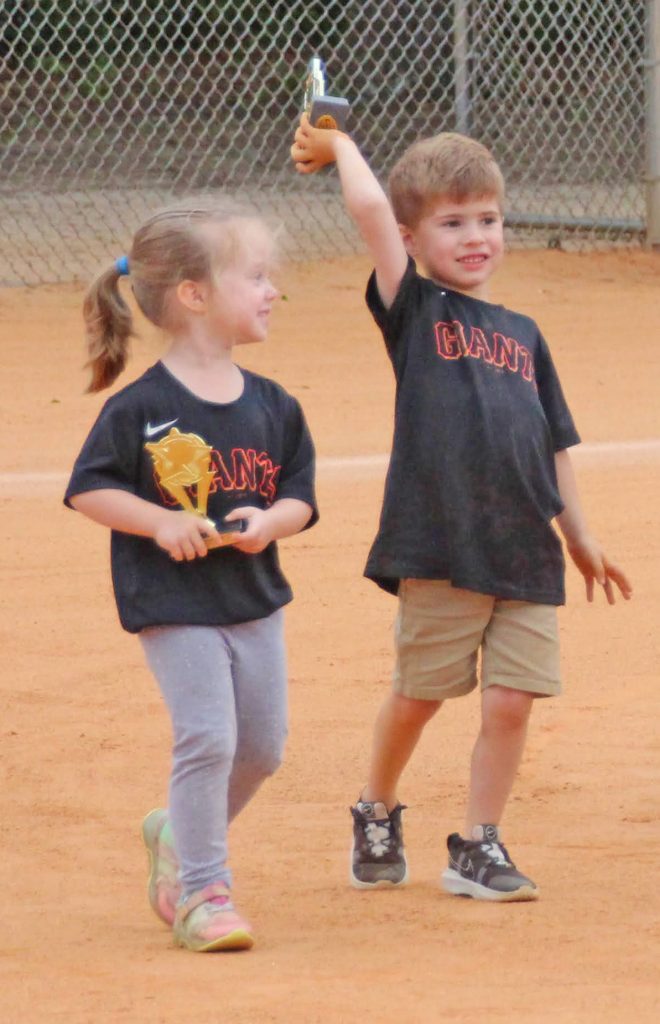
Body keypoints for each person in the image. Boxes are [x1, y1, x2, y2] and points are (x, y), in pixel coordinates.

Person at [291, 117, 632, 900]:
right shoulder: (416, 312)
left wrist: (579, 534)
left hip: (525, 548)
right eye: (452, 223)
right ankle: (376, 806)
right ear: (412, 240)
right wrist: (341, 147)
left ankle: (479, 842)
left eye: (488, 219)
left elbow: (554, 442)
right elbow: (371, 211)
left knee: (511, 702)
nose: (476, 237)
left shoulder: (525, 335)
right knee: (420, 697)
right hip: (441, 544)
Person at [64, 199, 317, 949]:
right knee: (208, 738)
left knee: (262, 747)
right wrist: (159, 520)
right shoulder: (140, 407)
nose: (272, 290)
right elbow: (89, 488)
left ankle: (178, 832)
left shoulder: (274, 404)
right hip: (173, 602)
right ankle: (204, 891)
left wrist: (271, 523)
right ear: (194, 294)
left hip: (254, 599)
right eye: (256, 277)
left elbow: (299, 494)